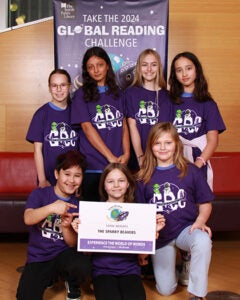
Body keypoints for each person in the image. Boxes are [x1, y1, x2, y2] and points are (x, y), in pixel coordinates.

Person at [136, 122, 214, 300]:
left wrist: (201, 221)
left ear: (176, 145)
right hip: (160, 237)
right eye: (157, 143)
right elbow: (139, 217)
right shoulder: (143, 177)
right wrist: (143, 248)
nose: (163, 147)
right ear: (150, 146)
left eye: (168, 142)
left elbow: (206, 202)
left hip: (185, 230)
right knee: (165, 290)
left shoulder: (191, 171)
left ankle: (196, 293)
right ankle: (179, 266)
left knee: (202, 240)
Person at [70, 163, 166, 300]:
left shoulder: (138, 213)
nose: (116, 185)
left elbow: (142, 255)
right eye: (110, 181)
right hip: (102, 271)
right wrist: (82, 233)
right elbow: (88, 252)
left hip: (130, 271)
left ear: (128, 184)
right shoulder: (94, 213)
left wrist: (152, 233)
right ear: (104, 185)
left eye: (121, 181)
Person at [16, 150, 91, 300]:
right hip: (39, 257)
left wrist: (65, 226)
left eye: (77, 176)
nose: (72, 180)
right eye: (67, 174)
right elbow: (28, 218)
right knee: (25, 297)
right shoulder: (40, 194)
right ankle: (50, 278)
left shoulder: (78, 205)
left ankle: (71, 282)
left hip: (63, 255)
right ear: (57, 174)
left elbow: (72, 243)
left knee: (82, 266)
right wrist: (51, 208)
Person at [71, 46, 130, 202]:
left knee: (118, 219)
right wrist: (109, 156)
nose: (96, 70)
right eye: (91, 67)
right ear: (86, 71)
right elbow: (87, 128)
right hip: (93, 167)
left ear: (108, 66)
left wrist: (127, 153)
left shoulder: (118, 93)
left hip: (118, 167)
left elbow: (124, 125)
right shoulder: (81, 95)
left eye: (100, 65)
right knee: (93, 221)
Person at [168, 51, 226, 190]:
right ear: (174, 75)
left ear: (196, 70)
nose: (184, 74)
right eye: (179, 70)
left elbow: (213, 141)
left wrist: (198, 164)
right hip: (173, 159)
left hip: (199, 160)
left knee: (200, 201)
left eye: (188, 68)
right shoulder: (169, 101)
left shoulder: (208, 104)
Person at [26, 69, 79, 187]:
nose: (59, 89)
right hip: (49, 181)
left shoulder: (76, 112)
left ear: (69, 87)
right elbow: (38, 151)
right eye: (54, 86)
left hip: (73, 182)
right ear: (49, 88)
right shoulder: (41, 114)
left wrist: (78, 182)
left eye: (63, 85)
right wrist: (42, 180)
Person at [125, 48, 171, 170]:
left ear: (159, 67)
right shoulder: (131, 94)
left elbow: (169, 132)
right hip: (138, 158)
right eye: (145, 65)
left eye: (153, 65)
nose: (149, 69)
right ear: (139, 68)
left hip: (163, 157)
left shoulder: (168, 96)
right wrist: (141, 156)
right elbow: (132, 126)